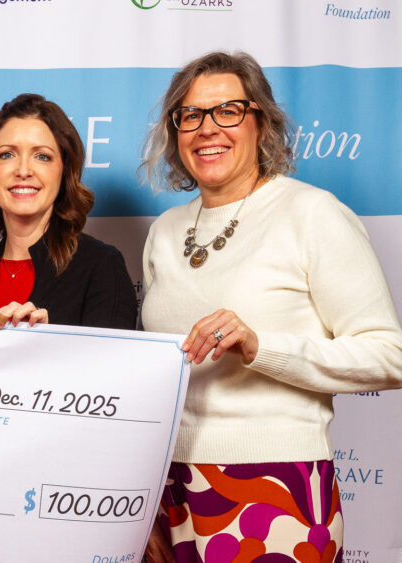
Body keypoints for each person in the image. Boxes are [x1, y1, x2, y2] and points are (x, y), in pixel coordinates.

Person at [139, 51, 402, 561]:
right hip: (170, 487)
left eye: (228, 111)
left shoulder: (313, 214)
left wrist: (261, 346)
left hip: (275, 484)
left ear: (261, 122)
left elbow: (390, 355)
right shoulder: (165, 231)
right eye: (190, 115)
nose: (206, 129)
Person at [0, 93, 136, 330]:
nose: (23, 170)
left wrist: (50, 340)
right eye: (6, 154)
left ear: (65, 172)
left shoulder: (100, 266)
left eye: (42, 156)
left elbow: (115, 364)